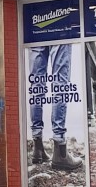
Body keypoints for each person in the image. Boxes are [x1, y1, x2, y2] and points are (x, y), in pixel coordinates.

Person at [27, 43, 79, 171]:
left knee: (37, 86)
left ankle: (38, 148)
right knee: (60, 84)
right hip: (59, 31)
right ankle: (60, 151)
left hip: (35, 32)